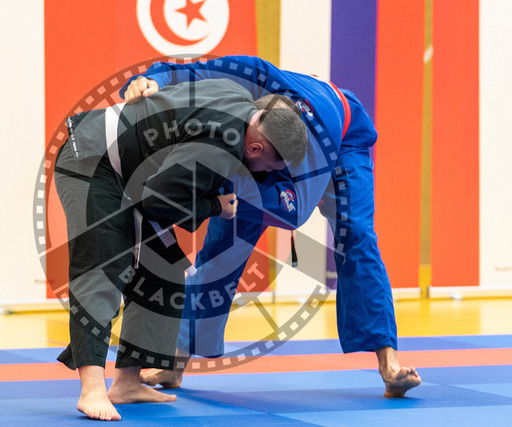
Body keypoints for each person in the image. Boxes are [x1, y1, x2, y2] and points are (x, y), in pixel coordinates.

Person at [121, 55, 422, 398]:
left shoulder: (313, 151)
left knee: (355, 234)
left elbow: (293, 213)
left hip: (343, 138)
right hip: (278, 141)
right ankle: (175, 364)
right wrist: (153, 80)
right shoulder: (256, 75)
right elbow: (195, 71)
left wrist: (228, 188)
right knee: (223, 243)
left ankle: (389, 364)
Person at [54, 77, 307, 421]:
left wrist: (150, 81)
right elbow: (157, 201)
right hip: (90, 157)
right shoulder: (219, 149)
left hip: (133, 173)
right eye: (268, 168)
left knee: (165, 268)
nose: (263, 175)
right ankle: (92, 390)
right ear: (256, 149)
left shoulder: (238, 95)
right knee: (103, 268)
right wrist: (216, 207)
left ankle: (127, 382)